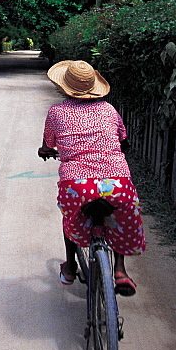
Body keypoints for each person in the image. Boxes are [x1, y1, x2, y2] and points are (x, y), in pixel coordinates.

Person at [38, 59, 145, 294]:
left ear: (64, 86)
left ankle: (69, 267)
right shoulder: (109, 109)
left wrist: (45, 151)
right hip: (118, 184)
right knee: (121, 220)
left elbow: (49, 144)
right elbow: (123, 140)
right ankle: (120, 270)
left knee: (70, 219)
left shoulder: (56, 112)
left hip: (77, 186)